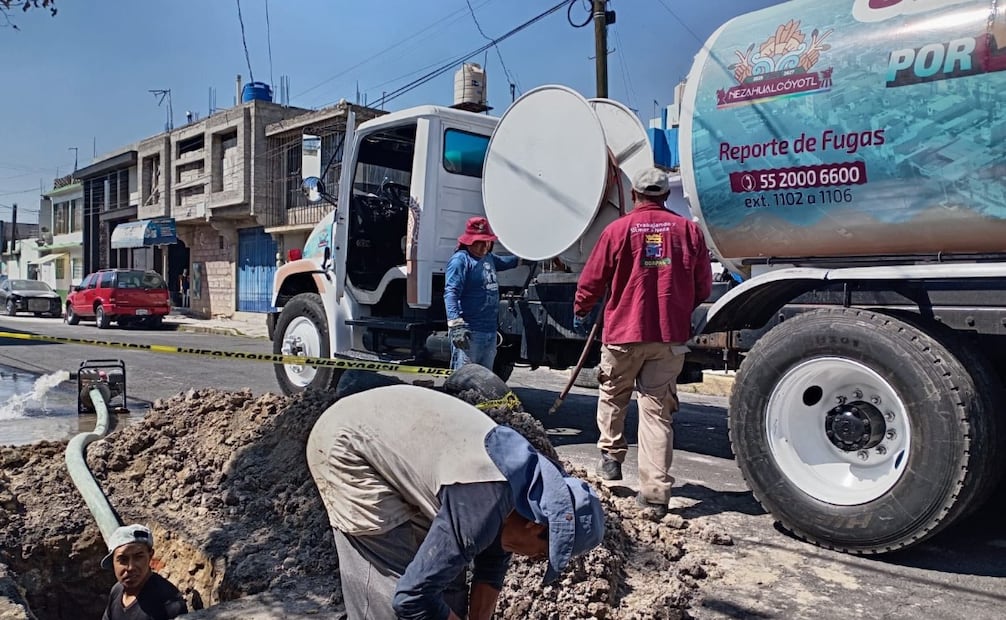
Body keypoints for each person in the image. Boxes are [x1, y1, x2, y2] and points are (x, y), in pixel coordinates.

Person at [306, 381, 605, 619]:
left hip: (402, 444)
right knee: (393, 592)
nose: (533, 560)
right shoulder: (484, 500)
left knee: (443, 582)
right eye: (541, 554)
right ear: (534, 525)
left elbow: (491, 566)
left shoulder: (526, 496)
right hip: (349, 448)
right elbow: (411, 598)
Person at [573, 166, 713, 517]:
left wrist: (582, 308)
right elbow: (703, 287)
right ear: (666, 196)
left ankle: (611, 457)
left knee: (613, 395)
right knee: (656, 413)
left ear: (634, 195)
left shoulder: (618, 229)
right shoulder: (689, 232)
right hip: (668, 337)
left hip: (623, 333)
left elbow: (592, 279)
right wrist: (678, 309)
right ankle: (654, 493)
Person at [444, 216, 522, 372]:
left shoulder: (489, 258)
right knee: (465, 377)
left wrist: (529, 258)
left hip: (489, 332)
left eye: (486, 242)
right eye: (478, 242)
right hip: (470, 333)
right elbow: (450, 293)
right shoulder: (460, 261)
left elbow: (509, 262)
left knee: (483, 379)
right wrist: (456, 325)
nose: (483, 247)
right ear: (468, 242)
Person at [101, 523, 188, 620]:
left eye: (138, 557)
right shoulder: (117, 590)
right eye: (123, 559)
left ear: (150, 556)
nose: (130, 567)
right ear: (113, 562)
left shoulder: (168, 604)